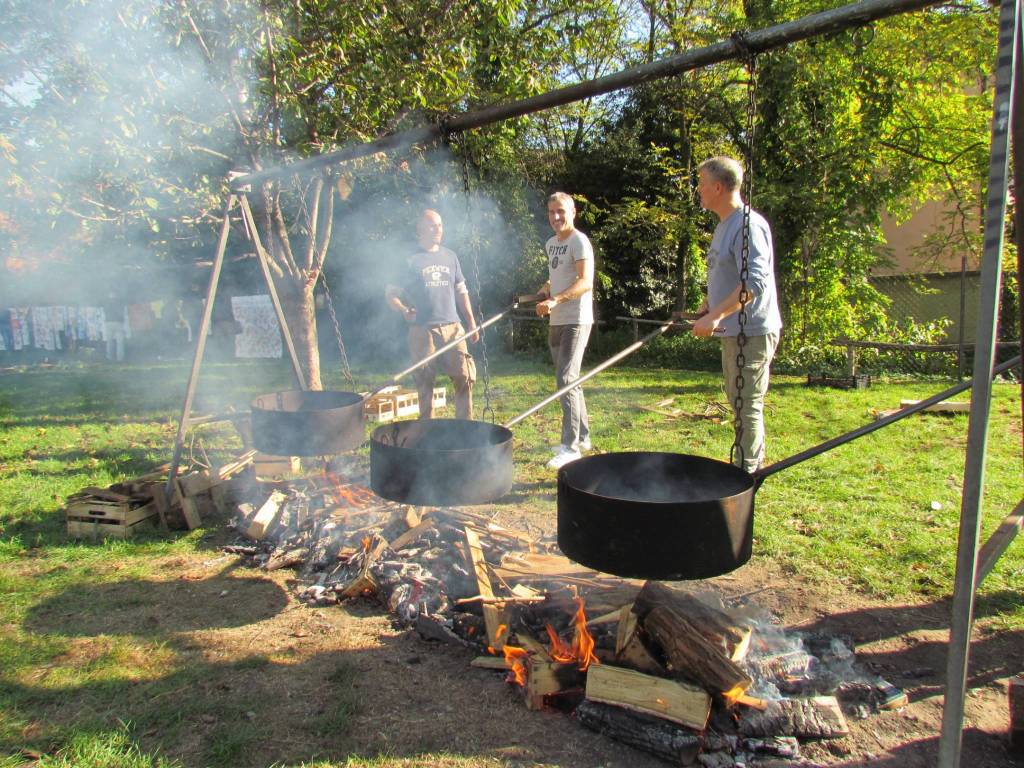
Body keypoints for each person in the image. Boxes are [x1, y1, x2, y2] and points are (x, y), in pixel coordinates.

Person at [690, 156, 782, 473]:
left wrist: (715, 317)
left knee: (746, 405)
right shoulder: (724, 225)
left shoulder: (748, 225)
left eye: (701, 184)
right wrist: (708, 304)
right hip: (734, 330)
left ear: (718, 187)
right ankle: (744, 466)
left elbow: (754, 283)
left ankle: (748, 474)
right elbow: (727, 274)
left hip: (752, 330)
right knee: (737, 400)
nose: (698, 190)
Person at [386, 208, 479, 420]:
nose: (438, 229)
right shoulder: (410, 259)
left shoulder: (450, 256)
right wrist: (403, 309)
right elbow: (390, 294)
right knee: (425, 380)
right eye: (432, 225)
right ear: (420, 228)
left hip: (453, 327)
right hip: (422, 329)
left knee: (464, 376)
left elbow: (461, 291)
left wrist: (471, 322)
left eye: (440, 225)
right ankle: (427, 428)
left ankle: (465, 428)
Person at [534, 192, 595, 470]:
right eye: (551, 212)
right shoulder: (551, 244)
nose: (556, 217)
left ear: (573, 211)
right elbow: (558, 273)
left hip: (575, 319)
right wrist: (547, 288)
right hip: (556, 320)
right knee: (570, 380)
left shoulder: (578, 241)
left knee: (566, 379)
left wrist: (556, 299)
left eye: (561, 211)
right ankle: (582, 437)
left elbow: (585, 281)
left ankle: (570, 449)